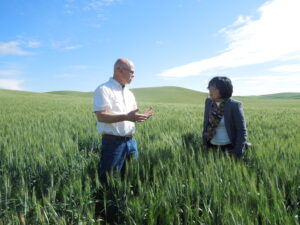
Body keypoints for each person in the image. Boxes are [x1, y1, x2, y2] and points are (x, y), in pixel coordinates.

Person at [93, 58, 153, 184]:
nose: (134, 75)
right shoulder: (103, 89)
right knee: (110, 182)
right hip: (112, 143)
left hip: (131, 142)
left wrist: (139, 117)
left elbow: (131, 115)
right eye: (131, 72)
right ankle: (108, 203)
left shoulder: (130, 93)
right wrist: (126, 117)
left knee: (131, 178)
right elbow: (101, 116)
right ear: (119, 70)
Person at [202, 76, 248, 158]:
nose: (210, 92)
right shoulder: (209, 102)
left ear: (223, 89)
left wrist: (237, 151)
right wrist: (205, 143)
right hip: (211, 146)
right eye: (209, 89)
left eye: (214, 89)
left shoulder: (234, 105)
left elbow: (241, 131)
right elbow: (206, 124)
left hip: (229, 148)